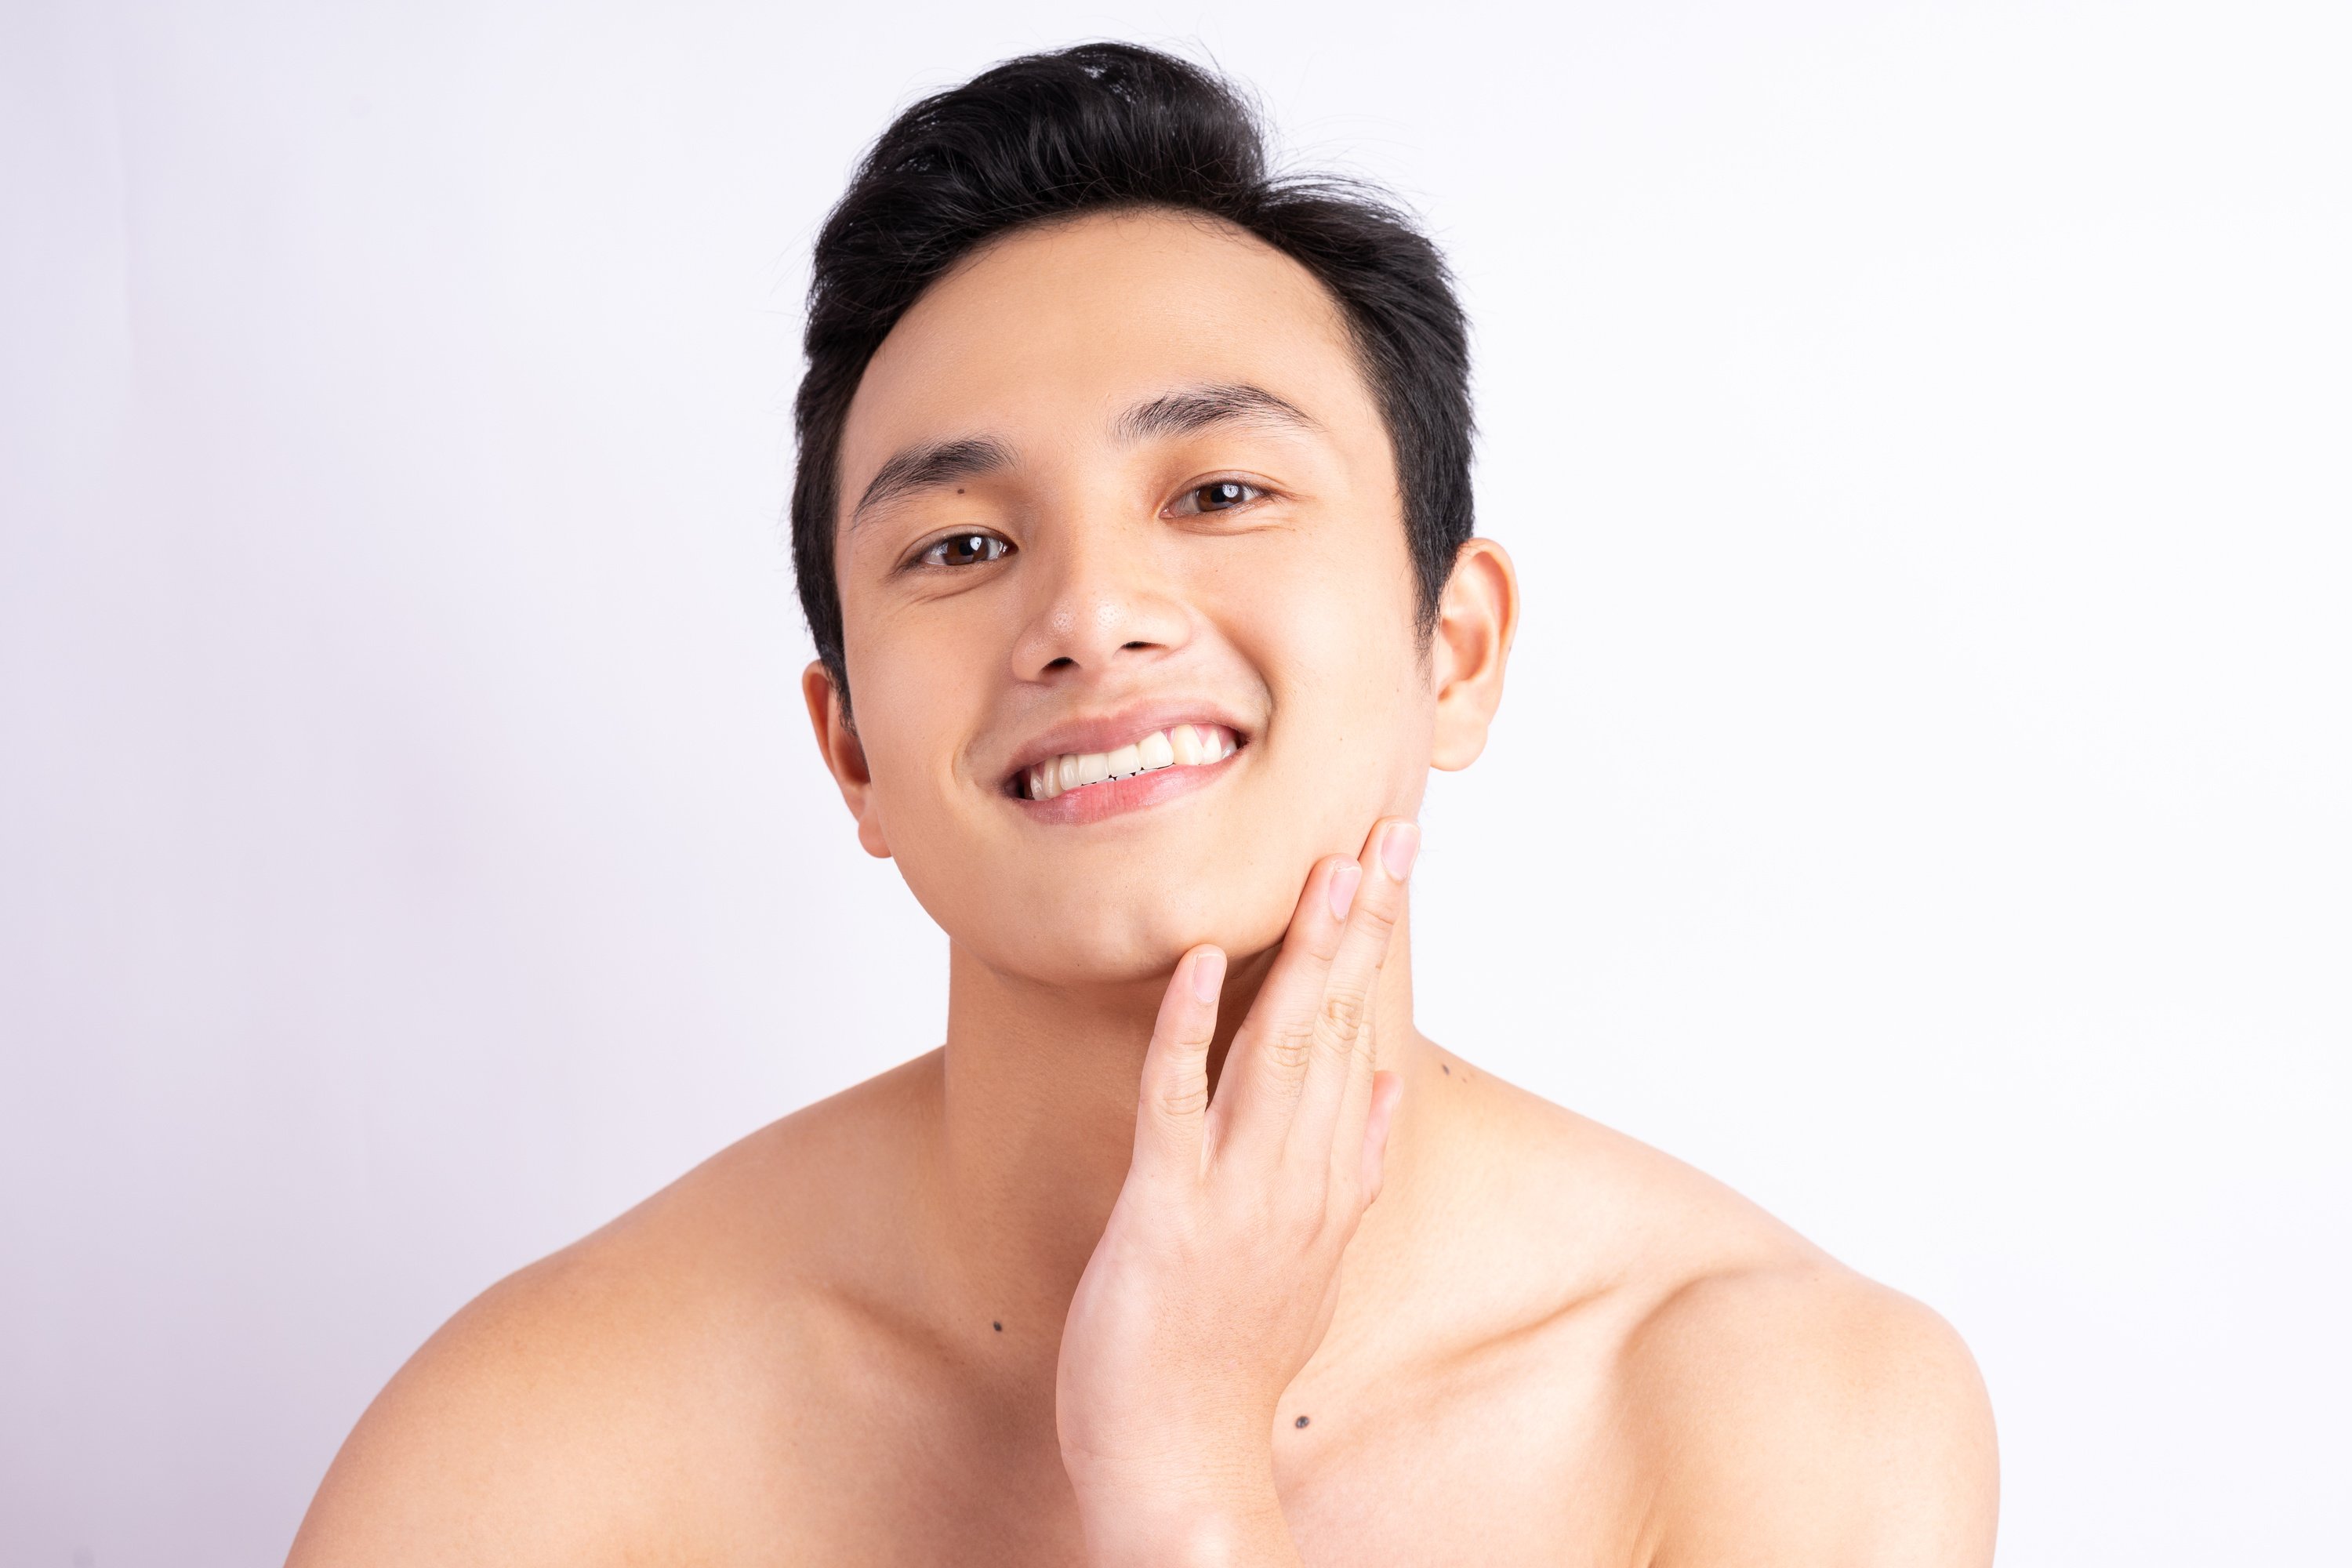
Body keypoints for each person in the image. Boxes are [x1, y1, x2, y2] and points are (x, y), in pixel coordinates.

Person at [289, 42, 1997, 1566]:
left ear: (1455, 648)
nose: (1090, 612)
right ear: (854, 754)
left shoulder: (1778, 1405)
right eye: (961, 544)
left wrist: (1182, 1475)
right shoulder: (532, 1454)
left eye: (1222, 489)